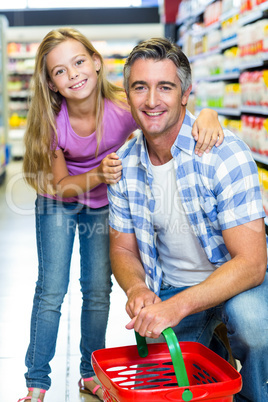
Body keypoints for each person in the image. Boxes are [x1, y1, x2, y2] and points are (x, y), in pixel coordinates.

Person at [17, 29, 223, 402]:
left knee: (97, 290)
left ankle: (88, 372)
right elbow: (61, 184)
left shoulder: (123, 106)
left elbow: (169, 112)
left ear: (96, 63)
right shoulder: (51, 120)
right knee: (51, 290)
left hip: (105, 205)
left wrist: (207, 114)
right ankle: (37, 382)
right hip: (58, 200)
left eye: (79, 62)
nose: (74, 74)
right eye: (60, 71)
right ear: (50, 83)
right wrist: (100, 174)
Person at [108, 37, 268, 402]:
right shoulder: (123, 165)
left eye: (165, 87)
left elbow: (252, 264)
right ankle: (210, 347)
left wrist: (177, 307)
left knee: (255, 326)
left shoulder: (222, 153)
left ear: (185, 94)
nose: (151, 101)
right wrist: (136, 288)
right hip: (173, 287)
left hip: (238, 285)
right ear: (128, 94)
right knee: (157, 394)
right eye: (140, 87)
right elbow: (122, 247)